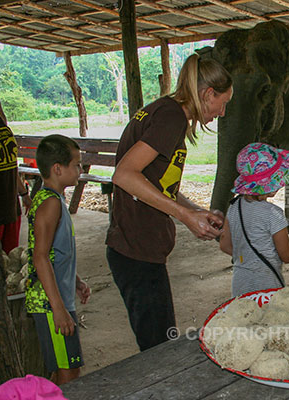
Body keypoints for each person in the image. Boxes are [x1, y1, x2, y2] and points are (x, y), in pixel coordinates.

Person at [105, 53, 233, 351]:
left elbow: (157, 185)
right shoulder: (171, 116)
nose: (223, 112)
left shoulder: (164, 111)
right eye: (223, 103)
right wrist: (184, 217)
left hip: (137, 248)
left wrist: (195, 211)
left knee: (158, 342)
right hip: (136, 251)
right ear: (207, 94)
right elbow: (124, 175)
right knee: (159, 351)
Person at [219, 142, 289, 297]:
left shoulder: (234, 206)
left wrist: (247, 260)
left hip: (240, 282)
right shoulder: (273, 213)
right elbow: (287, 255)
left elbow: (225, 246)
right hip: (267, 283)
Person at [25, 134, 91, 385]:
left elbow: (54, 254)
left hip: (58, 298)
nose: (80, 169)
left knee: (64, 369)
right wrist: (59, 309)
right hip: (50, 302)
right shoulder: (50, 203)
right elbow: (40, 258)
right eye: (76, 164)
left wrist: (75, 280)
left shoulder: (54, 199)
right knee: (69, 373)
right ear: (57, 169)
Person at [0, 111, 32, 254]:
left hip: (11, 206)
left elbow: (11, 167)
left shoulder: (0, 122)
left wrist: (24, 194)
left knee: (10, 258)